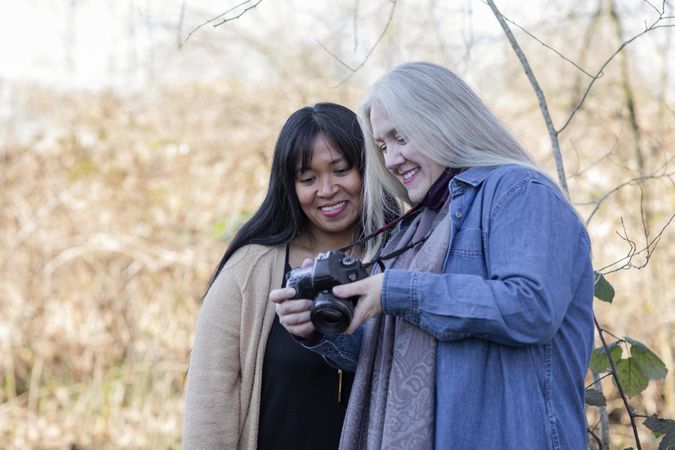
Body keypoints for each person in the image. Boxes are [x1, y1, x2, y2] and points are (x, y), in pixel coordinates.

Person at [273, 62, 595, 449]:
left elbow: (530, 308)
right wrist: (320, 326)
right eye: (382, 146)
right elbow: (389, 354)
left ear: (445, 119)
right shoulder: (418, 226)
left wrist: (395, 291)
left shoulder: (519, 191)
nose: (391, 159)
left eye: (401, 137)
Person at [183, 102, 398, 449]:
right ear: (290, 186)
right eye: (308, 179)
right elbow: (210, 396)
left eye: (342, 170)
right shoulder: (250, 271)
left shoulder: (406, 254)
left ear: (369, 167)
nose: (327, 190)